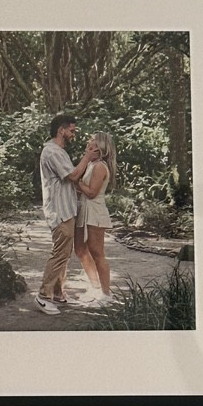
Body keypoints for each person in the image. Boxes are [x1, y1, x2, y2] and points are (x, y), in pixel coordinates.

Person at [35, 112, 84, 314]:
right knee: (60, 253)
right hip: (59, 211)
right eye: (71, 130)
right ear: (61, 130)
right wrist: (88, 157)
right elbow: (72, 175)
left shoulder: (60, 151)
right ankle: (42, 296)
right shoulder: (52, 152)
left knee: (64, 253)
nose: (73, 134)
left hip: (66, 209)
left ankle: (57, 293)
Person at [70, 130, 118, 305]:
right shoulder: (91, 164)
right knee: (80, 249)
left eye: (92, 142)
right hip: (84, 210)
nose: (88, 144)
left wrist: (76, 182)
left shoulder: (99, 166)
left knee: (97, 253)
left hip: (95, 211)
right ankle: (95, 287)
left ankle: (106, 295)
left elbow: (91, 192)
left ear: (100, 148)